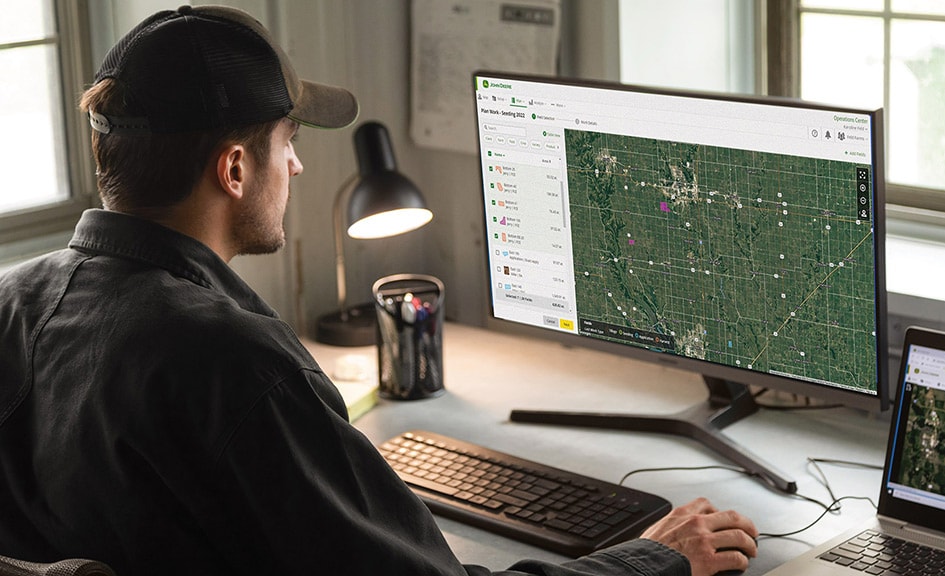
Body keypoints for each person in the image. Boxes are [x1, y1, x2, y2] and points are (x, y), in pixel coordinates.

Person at [0, 6, 758, 576]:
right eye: (287, 144)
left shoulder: (13, 304)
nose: (295, 169)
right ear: (233, 170)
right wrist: (654, 559)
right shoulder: (233, 366)